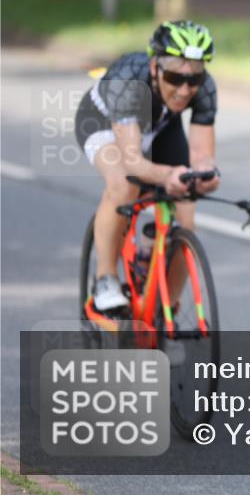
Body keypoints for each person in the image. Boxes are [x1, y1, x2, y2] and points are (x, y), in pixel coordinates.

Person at [75, 20, 221, 312]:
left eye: (193, 79)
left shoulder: (205, 89)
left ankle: (166, 311)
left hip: (160, 128)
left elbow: (202, 154)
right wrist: (168, 175)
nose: (184, 89)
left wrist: (206, 175)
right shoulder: (129, 79)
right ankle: (105, 278)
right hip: (102, 123)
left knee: (187, 216)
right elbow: (132, 161)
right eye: (174, 77)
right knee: (124, 184)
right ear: (155, 66)